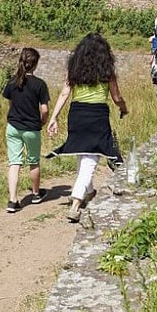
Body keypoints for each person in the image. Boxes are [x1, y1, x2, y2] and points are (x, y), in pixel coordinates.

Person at [47, 33, 129, 223]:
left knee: (83, 153)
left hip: (77, 114)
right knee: (91, 158)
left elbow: (64, 92)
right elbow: (117, 98)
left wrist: (54, 117)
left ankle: (90, 192)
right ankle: (76, 202)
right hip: (97, 115)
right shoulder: (107, 71)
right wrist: (124, 108)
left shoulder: (74, 68)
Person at [2, 48, 50, 213]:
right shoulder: (40, 84)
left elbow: (10, 104)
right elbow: (44, 109)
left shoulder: (12, 82)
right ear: (35, 64)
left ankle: (13, 200)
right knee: (33, 161)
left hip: (13, 127)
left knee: (14, 163)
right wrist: (43, 121)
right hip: (31, 128)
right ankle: (36, 194)